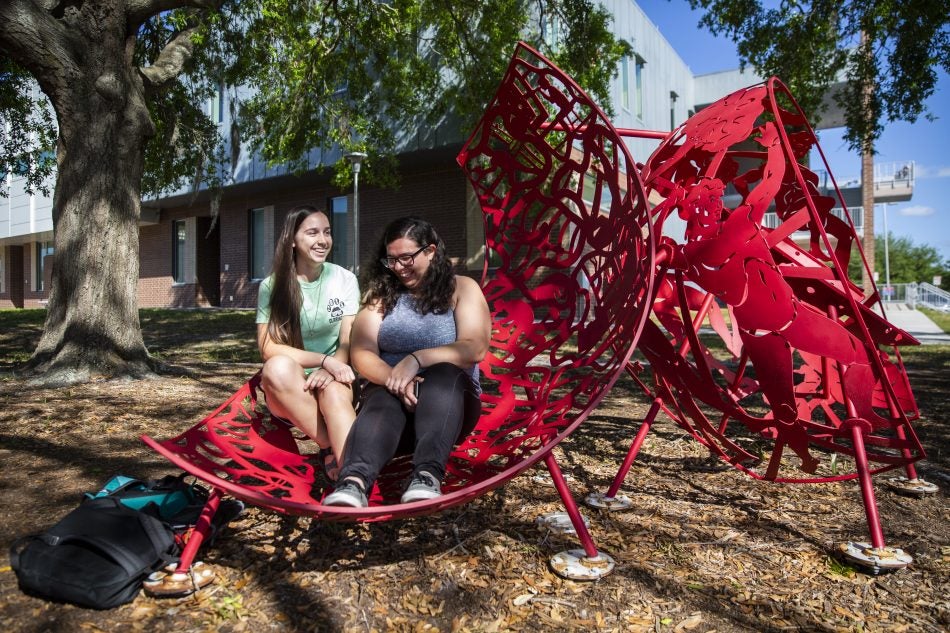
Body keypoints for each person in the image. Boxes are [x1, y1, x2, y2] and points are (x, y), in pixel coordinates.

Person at [324, 217, 491, 507]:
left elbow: (474, 347)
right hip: (392, 414)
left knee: (443, 374)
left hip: (450, 408)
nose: (400, 267)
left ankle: (426, 475)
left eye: (407, 257)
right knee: (382, 394)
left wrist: (416, 360)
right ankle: (353, 482)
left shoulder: (462, 288)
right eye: (392, 260)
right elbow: (361, 351)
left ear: (431, 251)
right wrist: (396, 379)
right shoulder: (381, 297)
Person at [256, 205, 360, 480]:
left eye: (326, 232)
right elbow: (268, 347)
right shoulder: (272, 285)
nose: (322, 240)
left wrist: (333, 367)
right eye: (312, 232)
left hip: (337, 376)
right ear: (292, 239)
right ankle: (327, 445)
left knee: (334, 393)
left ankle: (355, 479)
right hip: (289, 387)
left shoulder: (345, 279)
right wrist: (322, 361)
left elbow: (348, 339)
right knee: (276, 366)